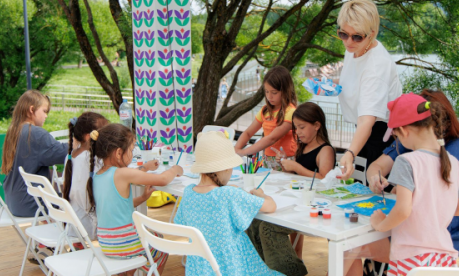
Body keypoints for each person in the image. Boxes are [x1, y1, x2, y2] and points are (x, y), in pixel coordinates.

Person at [368, 93, 459, 276]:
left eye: (395, 135)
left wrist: (381, 224)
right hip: (445, 259)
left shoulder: (406, 161)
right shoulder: (454, 162)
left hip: (411, 258)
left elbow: (403, 211)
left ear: (404, 130)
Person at [174, 131, 282, 276]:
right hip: (235, 269)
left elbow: (181, 223)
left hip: (199, 270)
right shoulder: (229, 194)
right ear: (225, 167)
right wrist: (261, 194)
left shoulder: (188, 193)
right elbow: (271, 206)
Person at [247, 102, 336, 276]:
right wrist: (285, 164)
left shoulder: (325, 150)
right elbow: (299, 176)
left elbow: (323, 180)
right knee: (255, 219)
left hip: (313, 208)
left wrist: (295, 166)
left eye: (302, 127)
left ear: (317, 125)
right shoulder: (303, 147)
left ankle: (290, 270)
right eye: (296, 128)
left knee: (268, 227)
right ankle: (263, 268)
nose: (299, 132)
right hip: (295, 201)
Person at [87, 124, 183, 275]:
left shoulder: (98, 175)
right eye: (131, 150)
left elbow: (118, 206)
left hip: (106, 242)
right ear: (119, 153)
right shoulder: (122, 174)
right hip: (124, 242)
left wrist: (143, 196)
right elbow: (163, 179)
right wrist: (176, 169)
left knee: (140, 243)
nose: (132, 154)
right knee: (160, 245)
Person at [335, 0, 402, 181]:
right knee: (358, 187)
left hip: (381, 135)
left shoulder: (376, 66)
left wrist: (349, 152)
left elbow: (368, 120)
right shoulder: (355, 47)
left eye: (356, 36)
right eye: (343, 34)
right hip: (363, 129)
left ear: (372, 33)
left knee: (373, 190)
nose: (349, 41)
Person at [2, 90, 68, 217]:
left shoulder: (13, 131)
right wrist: (80, 140)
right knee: (77, 199)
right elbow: (63, 153)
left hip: (13, 201)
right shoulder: (35, 134)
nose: (46, 116)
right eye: (44, 111)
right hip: (31, 204)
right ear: (31, 110)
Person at [235, 65, 298, 171]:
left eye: (274, 92)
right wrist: (237, 149)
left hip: (286, 161)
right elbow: (248, 133)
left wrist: (244, 152)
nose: (269, 97)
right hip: (267, 161)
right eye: (266, 91)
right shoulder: (265, 111)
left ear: (285, 91)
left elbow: (271, 138)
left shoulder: (290, 112)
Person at [62, 112, 109, 241]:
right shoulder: (92, 159)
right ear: (89, 137)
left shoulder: (71, 156)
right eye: (104, 134)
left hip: (73, 221)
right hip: (90, 226)